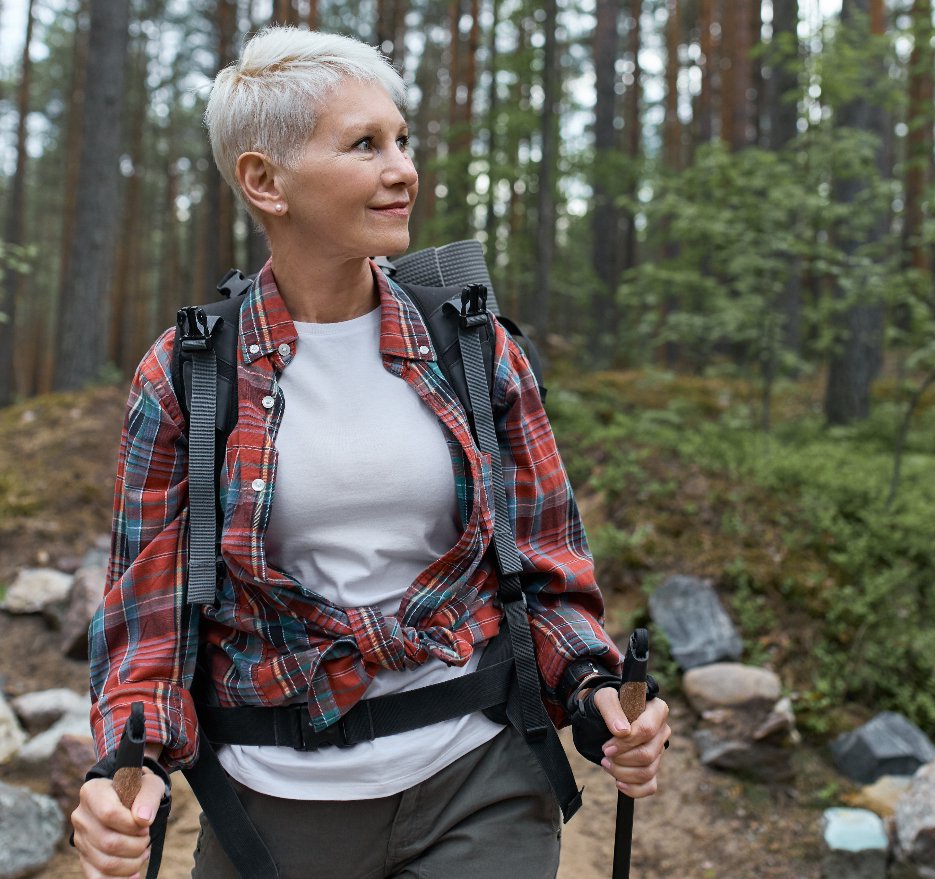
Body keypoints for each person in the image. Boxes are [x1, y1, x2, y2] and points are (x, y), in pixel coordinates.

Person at [71, 26, 669, 879]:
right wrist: (126, 767)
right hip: (273, 809)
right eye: (364, 145)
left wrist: (595, 690)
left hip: (483, 779)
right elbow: (148, 623)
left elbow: (543, 567)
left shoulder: (472, 346)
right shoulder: (190, 375)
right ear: (264, 180)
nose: (402, 170)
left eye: (401, 140)